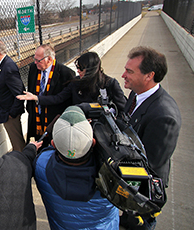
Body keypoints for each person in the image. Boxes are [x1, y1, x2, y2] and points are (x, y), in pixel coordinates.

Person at [119, 46, 181, 230]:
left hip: (143, 195)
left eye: (129, 71)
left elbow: (149, 166)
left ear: (149, 75)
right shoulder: (136, 94)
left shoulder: (164, 117)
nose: (123, 75)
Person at [34, 105, 119, 229]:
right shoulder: (115, 172)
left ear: (53, 144)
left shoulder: (40, 165)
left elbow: (45, 153)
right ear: (93, 142)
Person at [18, 51, 126, 114]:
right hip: (79, 127)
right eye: (77, 68)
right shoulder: (76, 83)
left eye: (81, 69)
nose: (78, 71)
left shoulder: (109, 84)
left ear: (91, 69)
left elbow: (123, 108)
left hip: (102, 130)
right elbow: (58, 98)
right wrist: (36, 98)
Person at [26, 44, 75, 148]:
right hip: (36, 117)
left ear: (49, 59)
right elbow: (31, 90)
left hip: (53, 119)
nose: (35, 62)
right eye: (34, 59)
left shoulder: (66, 74)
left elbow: (63, 99)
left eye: (38, 60)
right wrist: (30, 110)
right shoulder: (34, 69)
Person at [0, 39, 26, 151]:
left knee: (17, 143)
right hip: (6, 112)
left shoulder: (8, 67)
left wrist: (12, 114)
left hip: (10, 114)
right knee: (15, 142)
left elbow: (19, 92)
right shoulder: (0, 65)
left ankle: (23, 164)